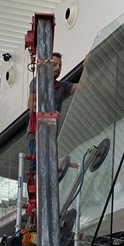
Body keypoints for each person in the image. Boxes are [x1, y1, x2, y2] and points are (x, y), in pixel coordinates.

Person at [26, 51, 79, 180]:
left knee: (46, 168)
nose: (58, 68)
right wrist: (49, 114)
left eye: (60, 65)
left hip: (49, 135)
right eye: (54, 65)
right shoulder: (37, 82)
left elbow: (81, 86)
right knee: (37, 171)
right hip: (36, 135)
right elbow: (31, 104)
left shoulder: (60, 86)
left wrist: (88, 66)